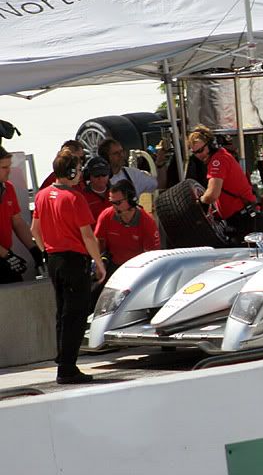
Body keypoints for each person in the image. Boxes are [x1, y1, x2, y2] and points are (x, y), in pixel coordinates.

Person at [31, 148, 106, 385]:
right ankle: (67, 368)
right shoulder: (75, 198)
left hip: (54, 259)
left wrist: (47, 251)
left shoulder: (42, 195)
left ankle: (62, 359)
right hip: (74, 261)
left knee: (62, 312)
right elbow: (88, 236)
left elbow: (35, 230)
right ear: (72, 172)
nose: (81, 173)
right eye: (79, 169)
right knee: (75, 315)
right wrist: (99, 263)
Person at [187, 125, 263, 244]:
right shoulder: (221, 156)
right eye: (195, 153)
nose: (199, 155)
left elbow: (212, 195)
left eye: (201, 150)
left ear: (211, 145)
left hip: (245, 220)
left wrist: (199, 202)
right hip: (241, 219)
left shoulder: (218, 160)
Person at [92, 180, 160, 307]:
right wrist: (98, 263)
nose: (114, 206)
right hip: (113, 267)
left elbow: (152, 257)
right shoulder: (106, 216)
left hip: (137, 271)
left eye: (118, 203)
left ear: (131, 200)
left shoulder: (147, 222)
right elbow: (97, 241)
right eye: (112, 202)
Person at [0, 146, 44, 283]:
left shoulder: (8, 188)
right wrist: (7, 255)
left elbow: (17, 222)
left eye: (9, 166)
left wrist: (34, 248)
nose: (9, 171)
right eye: (4, 167)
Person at [98, 138, 163, 197]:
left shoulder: (132, 173)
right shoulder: (98, 179)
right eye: (116, 153)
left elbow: (158, 185)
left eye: (121, 151)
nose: (121, 155)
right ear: (105, 157)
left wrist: (160, 163)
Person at [79, 156, 112, 226]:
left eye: (104, 174)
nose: (100, 178)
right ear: (88, 176)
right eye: (96, 175)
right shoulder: (82, 197)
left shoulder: (118, 192)